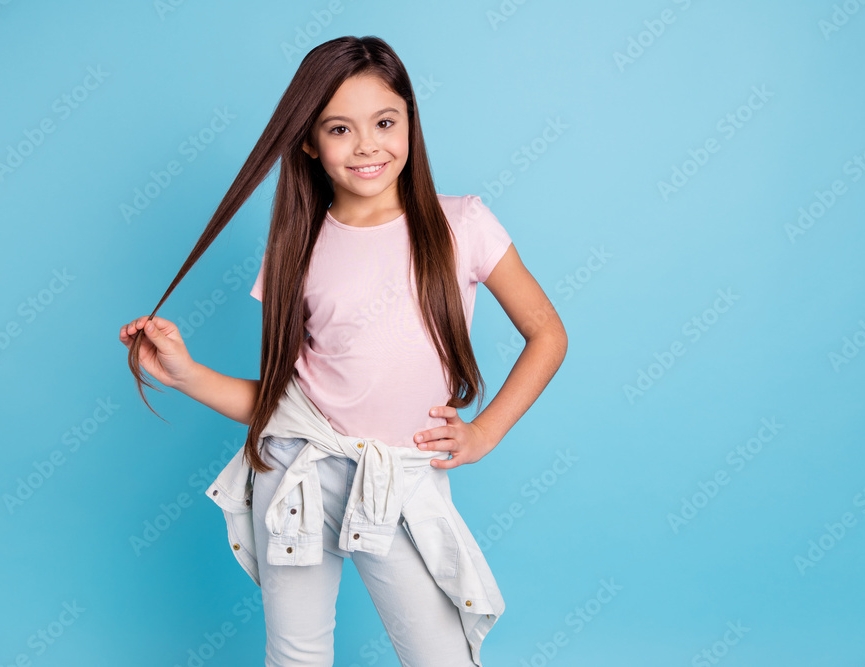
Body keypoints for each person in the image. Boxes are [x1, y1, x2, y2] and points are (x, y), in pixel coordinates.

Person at [119, 35, 567, 666]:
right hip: (297, 473)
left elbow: (548, 334)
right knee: (295, 655)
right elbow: (282, 403)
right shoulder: (293, 249)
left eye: (385, 122)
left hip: (397, 478)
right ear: (308, 140)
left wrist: (485, 433)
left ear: (410, 119)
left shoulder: (462, 224)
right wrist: (186, 374)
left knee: (441, 656)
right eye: (338, 129)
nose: (366, 146)